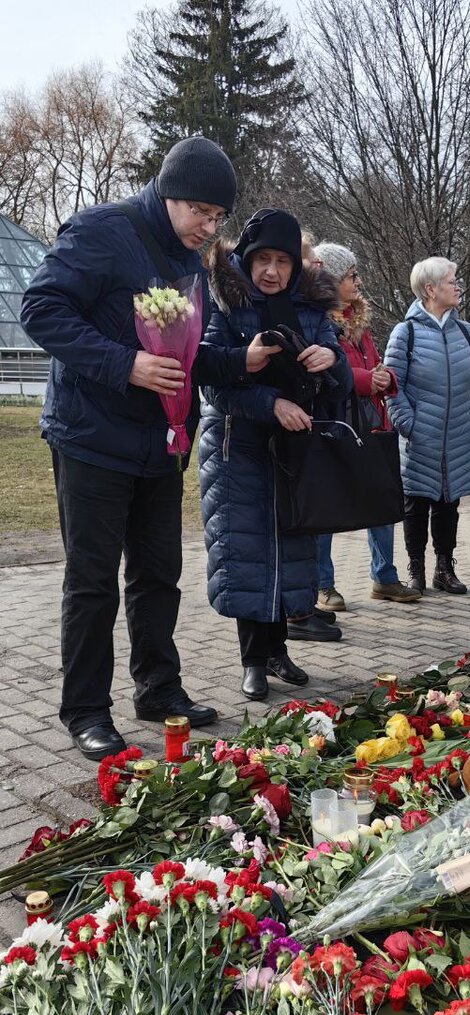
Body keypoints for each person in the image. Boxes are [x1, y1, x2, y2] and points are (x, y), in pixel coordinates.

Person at [19, 136, 282, 760]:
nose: (209, 228)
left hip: (161, 444)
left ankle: (158, 688)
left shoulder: (193, 259)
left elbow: (183, 358)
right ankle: (85, 709)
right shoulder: (99, 232)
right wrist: (125, 364)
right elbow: (40, 308)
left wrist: (239, 361)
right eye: (202, 213)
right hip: (91, 438)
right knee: (92, 581)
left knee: (159, 575)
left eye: (219, 218)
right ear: (169, 195)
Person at [199, 209, 352, 700]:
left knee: (290, 549)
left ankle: (279, 650)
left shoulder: (311, 306)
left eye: (282, 261)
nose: (271, 271)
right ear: (246, 258)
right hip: (236, 447)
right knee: (247, 551)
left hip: (294, 450)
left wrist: (332, 361)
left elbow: (340, 381)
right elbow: (213, 380)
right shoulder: (223, 301)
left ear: (294, 265)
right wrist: (271, 403)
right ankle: (252, 660)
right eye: (262, 259)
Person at [311, 242, 421, 610]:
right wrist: (364, 379)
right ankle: (323, 585)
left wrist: (385, 377)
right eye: (350, 275)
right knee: (326, 507)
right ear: (330, 279)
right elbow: (327, 371)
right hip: (335, 425)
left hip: (372, 424)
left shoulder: (360, 319)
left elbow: (376, 365)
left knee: (381, 501)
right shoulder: (318, 321)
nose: (357, 281)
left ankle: (385, 578)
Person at [384, 257, 470, 595]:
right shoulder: (406, 333)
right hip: (418, 439)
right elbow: (391, 386)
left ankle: (445, 569)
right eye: (450, 281)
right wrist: (409, 426)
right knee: (415, 505)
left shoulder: (466, 332)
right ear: (430, 289)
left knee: (449, 504)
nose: (458, 286)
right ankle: (416, 570)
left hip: (458, 436)